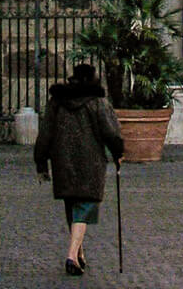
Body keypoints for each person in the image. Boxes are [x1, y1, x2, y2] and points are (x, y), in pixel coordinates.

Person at [34, 61, 124, 277]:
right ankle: (72, 255)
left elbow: (45, 133)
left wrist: (41, 162)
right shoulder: (98, 102)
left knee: (72, 205)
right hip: (90, 162)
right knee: (85, 206)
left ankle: (80, 253)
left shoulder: (57, 102)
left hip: (62, 161)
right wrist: (118, 153)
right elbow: (111, 133)